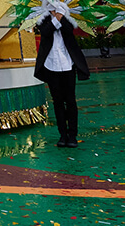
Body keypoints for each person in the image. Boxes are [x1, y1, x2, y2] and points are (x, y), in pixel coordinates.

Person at [33, 10, 90, 148]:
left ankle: (72, 135)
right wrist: (54, 18)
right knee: (57, 101)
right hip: (51, 65)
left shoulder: (68, 16)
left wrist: (61, 16)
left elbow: (69, 30)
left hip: (68, 64)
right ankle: (62, 135)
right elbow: (45, 32)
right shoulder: (43, 16)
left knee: (70, 100)